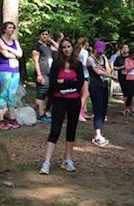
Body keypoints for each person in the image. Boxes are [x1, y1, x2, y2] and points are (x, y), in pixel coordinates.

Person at [39, 38, 87, 174]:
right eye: (64, 47)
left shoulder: (77, 65)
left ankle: (68, 159)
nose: (66, 49)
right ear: (61, 49)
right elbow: (53, 84)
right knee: (55, 129)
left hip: (74, 100)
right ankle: (46, 162)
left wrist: (64, 81)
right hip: (59, 100)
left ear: (72, 48)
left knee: (71, 129)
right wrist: (70, 82)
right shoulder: (56, 64)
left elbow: (80, 83)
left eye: (68, 46)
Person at [0, 21, 22, 130]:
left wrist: (8, 48)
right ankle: (0, 119)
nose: (12, 30)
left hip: (15, 71)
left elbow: (20, 54)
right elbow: (5, 55)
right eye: (9, 28)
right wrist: (12, 53)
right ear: (4, 29)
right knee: (4, 94)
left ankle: (11, 117)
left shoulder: (15, 41)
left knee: (12, 94)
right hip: (4, 70)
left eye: (13, 28)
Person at [88, 40, 111, 147]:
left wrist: (107, 72)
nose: (100, 53)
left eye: (102, 51)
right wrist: (111, 76)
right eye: (98, 51)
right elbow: (98, 72)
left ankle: (100, 132)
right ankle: (97, 135)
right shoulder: (90, 59)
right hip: (95, 86)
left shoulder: (104, 58)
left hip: (104, 86)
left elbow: (108, 70)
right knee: (98, 109)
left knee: (103, 110)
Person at [32, 29, 54, 123]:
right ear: (39, 35)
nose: (45, 36)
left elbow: (59, 48)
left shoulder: (48, 46)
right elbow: (36, 61)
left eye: (47, 34)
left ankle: (43, 113)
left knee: (45, 94)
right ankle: (40, 115)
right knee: (41, 93)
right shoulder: (37, 46)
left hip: (49, 73)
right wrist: (39, 75)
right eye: (43, 34)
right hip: (42, 73)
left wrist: (51, 40)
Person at [119, 44, 134, 117]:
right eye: (133, 55)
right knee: (129, 94)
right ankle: (127, 108)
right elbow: (127, 68)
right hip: (129, 78)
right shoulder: (127, 59)